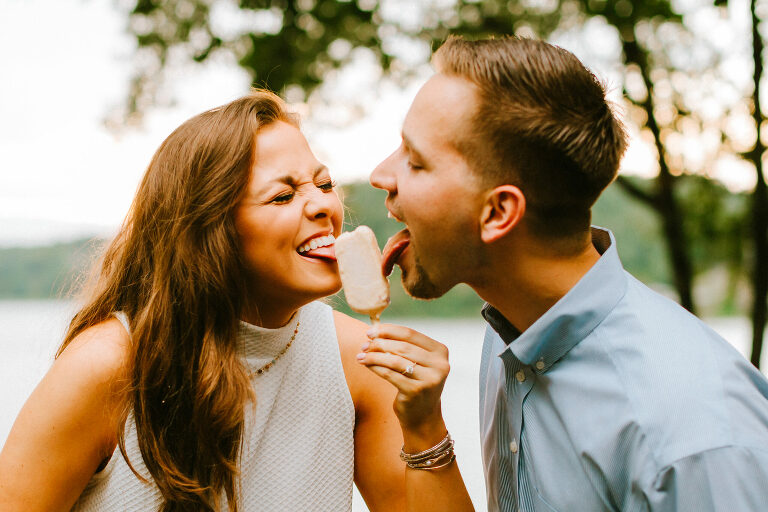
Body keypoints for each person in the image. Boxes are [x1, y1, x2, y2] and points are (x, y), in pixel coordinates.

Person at [0, 90, 474, 511]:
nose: (324, 207)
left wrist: (425, 427)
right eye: (283, 196)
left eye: (324, 184)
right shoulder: (107, 366)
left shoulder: (360, 363)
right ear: (211, 232)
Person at [363, 36, 768, 511]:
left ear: (498, 212)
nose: (380, 175)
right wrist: (424, 429)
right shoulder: (510, 330)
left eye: (415, 161)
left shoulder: (693, 440)